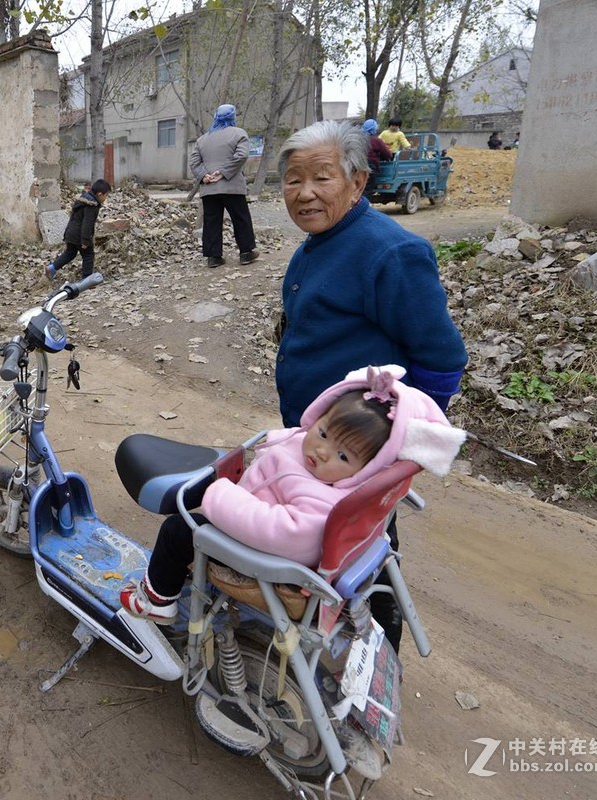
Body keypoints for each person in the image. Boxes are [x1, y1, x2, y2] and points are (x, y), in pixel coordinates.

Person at [274, 119, 467, 650]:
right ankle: (322, 652)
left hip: (360, 456)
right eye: (293, 179)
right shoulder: (319, 242)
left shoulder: (389, 253)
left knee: (368, 558)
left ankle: (376, 674)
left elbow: (442, 359)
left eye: (321, 178)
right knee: (324, 551)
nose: (305, 193)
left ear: (357, 183)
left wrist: (397, 456)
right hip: (322, 445)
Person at [120, 366, 464, 624]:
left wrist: (219, 495)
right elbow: (297, 440)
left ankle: (156, 600)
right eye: (323, 431)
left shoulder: (323, 502)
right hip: (256, 523)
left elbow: (284, 533)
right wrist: (279, 441)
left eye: (344, 456)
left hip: (265, 557)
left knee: (178, 529)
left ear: (370, 468)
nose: (322, 451)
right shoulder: (330, 473)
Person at [189, 103, 258, 268]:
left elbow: (194, 162)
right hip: (232, 186)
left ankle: (213, 257)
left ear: (215, 118)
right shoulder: (239, 134)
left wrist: (204, 175)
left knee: (212, 221)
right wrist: (223, 172)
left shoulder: (202, 139)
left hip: (209, 188)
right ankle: (246, 253)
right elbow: (241, 156)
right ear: (233, 117)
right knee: (240, 219)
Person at [44, 179, 110, 281]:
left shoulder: (82, 200)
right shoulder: (92, 205)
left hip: (71, 233)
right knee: (88, 255)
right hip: (80, 235)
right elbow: (87, 224)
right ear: (100, 194)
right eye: (106, 195)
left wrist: (67, 234)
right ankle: (87, 280)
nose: (106, 198)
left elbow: (73, 218)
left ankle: (52, 268)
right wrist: (85, 241)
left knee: (70, 253)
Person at [362, 119, 393, 196]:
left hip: (357, 166)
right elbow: (387, 154)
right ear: (374, 129)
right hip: (370, 166)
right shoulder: (376, 140)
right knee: (367, 189)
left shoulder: (358, 139)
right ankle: (363, 206)